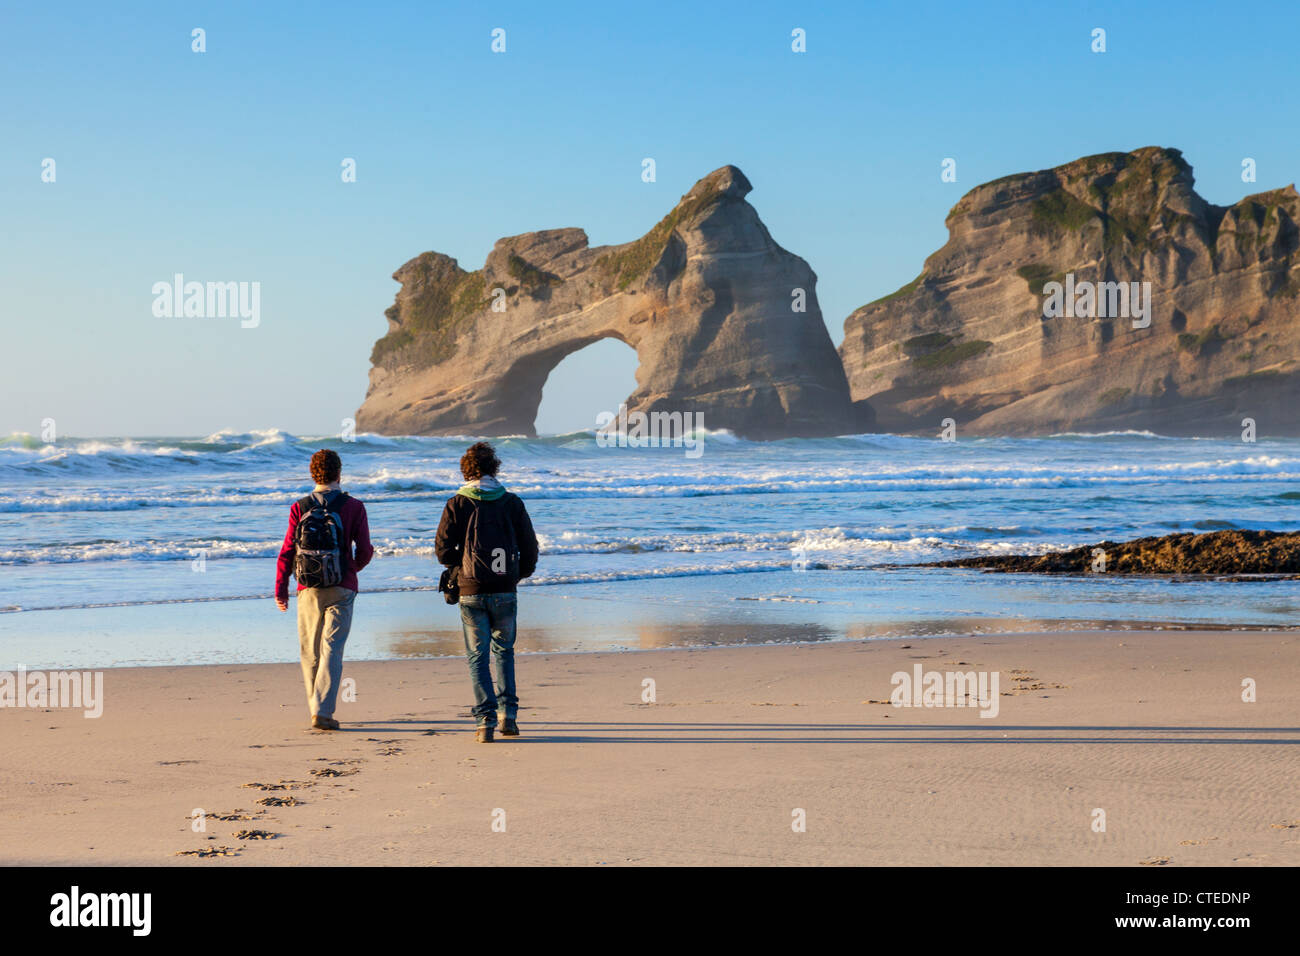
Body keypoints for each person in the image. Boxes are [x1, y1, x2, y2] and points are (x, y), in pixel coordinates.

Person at [436, 441, 539, 743]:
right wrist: (519, 574)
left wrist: (461, 567)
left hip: (471, 590)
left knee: (477, 657)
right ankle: (509, 717)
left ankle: (485, 722)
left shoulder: (457, 502)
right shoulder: (512, 502)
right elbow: (530, 547)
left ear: (466, 470)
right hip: (505, 587)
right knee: (504, 652)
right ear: (494, 468)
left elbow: (442, 551)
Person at [275, 448, 374, 730]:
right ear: (339, 473)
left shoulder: (300, 506)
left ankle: (315, 708)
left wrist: (281, 590)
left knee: (310, 651)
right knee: (333, 649)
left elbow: (286, 552)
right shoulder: (354, 506)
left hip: (308, 588)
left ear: (313, 473)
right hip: (342, 587)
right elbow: (365, 550)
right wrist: (352, 569)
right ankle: (324, 711)